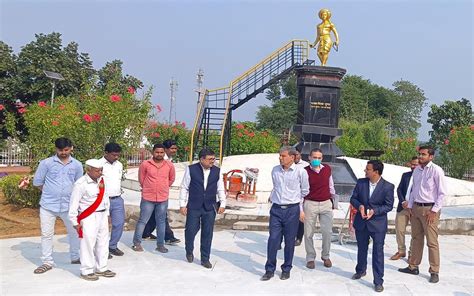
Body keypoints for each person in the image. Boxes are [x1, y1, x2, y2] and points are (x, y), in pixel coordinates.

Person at [32, 137, 83, 274]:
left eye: (66, 150)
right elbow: (37, 182)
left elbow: (79, 185)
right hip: (48, 206)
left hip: (68, 207)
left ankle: (75, 257)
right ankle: (47, 262)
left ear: (71, 148)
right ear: (56, 149)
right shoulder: (46, 163)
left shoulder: (77, 165)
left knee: (74, 232)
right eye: (60, 150)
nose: (63, 153)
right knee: (47, 234)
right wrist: (50, 192)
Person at [399, 146, 447, 284]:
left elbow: (442, 193)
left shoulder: (436, 170)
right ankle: (413, 266)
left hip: (430, 209)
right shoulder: (417, 171)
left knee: (432, 242)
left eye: (423, 155)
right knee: (416, 239)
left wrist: (434, 211)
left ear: (431, 157)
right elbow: (414, 190)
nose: (420, 157)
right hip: (416, 208)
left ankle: (434, 271)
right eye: (419, 154)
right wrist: (410, 206)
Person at [261, 146, 309, 281]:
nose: (280, 158)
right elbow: (276, 187)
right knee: (273, 239)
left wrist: (298, 208)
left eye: (283, 156)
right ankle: (269, 269)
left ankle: (286, 268)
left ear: (292, 157)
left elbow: (305, 191)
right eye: (280, 155)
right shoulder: (275, 170)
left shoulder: (301, 172)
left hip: (291, 210)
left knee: (289, 241)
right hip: (276, 209)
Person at [350, 160, 394, 293]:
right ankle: (360, 270)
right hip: (361, 222)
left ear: (376, 172)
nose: (365, 171)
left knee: (378, 253)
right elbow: (353, 198)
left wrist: (375, 211)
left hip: (377, 225)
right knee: (361, 248)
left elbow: (388, 205)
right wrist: (360, 206)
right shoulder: (361, 182)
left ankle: (378, 281)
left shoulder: (388, 186)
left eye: (368, 169)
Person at [69, 159, 116, 281]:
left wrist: (108, 214)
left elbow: (105, 199)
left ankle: (102, 268)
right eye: (97, 170)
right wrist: (75, 222)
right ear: (88, 170)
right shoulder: (81, 184)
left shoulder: (102, 181)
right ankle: (87, 270)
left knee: (103, 242)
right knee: (88, 243)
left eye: (101, 170)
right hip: (88, 216)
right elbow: (73, 204)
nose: (100, 173)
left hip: (102, 215)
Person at [179, 148, 226, 269]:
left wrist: (223, 203)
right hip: (194, 205)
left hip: (210, 206)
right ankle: (189, 250)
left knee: (207, 233)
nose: (213, 161)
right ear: (202, 159)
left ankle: (205, 258)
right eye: (210, 159)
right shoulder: (191, 169)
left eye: (213, 159)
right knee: (190, 230)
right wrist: (182, 204)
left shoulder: (217, 171)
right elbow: (184, 187)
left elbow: (220, 187)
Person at [132, 144, 175, 253]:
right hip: (148, 197)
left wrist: (163, 187)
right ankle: (136, 243)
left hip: (162, 198)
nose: (159, 154)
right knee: (143, 220)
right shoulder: (145, 164)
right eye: (157, 152)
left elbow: (171, 179)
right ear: (152, 152)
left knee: (161, 222)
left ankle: (160, 245)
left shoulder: (169, 165)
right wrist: (148, 188)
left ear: (164, 153)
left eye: (161, 152)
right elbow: (141, 179)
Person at [142, 139, 180, 244]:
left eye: (175, 148)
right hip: (152, 192)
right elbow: (143, 177)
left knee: (155, 214)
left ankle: (145, 233)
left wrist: (164, 186)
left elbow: (171, 178)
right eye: (172, 148)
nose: (174, 150)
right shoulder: (158, 160)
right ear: (166, 149)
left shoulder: (168, 161)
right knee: (162, 216)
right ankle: (168, 237)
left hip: (161, 192)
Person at [303, 148, 336, 269]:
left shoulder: (327, 169)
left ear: (322, 159)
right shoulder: (304, 171)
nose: (316, 160)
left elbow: (331, 185)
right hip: (310, 203)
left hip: (326, 203)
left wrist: (333, 201)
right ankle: (310, 257)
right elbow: (301, 189)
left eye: (319, 158)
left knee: (327, 232)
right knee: (308, 232)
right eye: (314, 157)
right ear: (309, 158)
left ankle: (325, 256)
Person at [99, 143, 125, 258]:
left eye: (118, 155)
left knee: (119, 224)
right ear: (106, 153)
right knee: (102, 226)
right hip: (102, 200)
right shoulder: (98, 165)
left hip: (117, 199)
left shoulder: (119, 165)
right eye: (114, 155)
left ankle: (112, 246)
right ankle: (102, 249)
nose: (116, 157)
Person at [390, 156, 418, 261]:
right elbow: (399, 189)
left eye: (415, 164)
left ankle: (412, 253)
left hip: (415, 208)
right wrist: (403, 201)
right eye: (412, 164)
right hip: (403, 207)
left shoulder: (422, 177)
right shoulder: (405, 175)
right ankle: (401, 251)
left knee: (415, 232)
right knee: (399, 230)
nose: (412, 166)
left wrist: (411, 203)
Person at [293, 147, 309, 246]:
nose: (296, 156)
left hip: (302, 195)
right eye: (294, 155)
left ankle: (299, 237)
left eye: (297, 154)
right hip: (290, 195)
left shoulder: (306, 166)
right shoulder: (285, 165)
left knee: (301, 217)